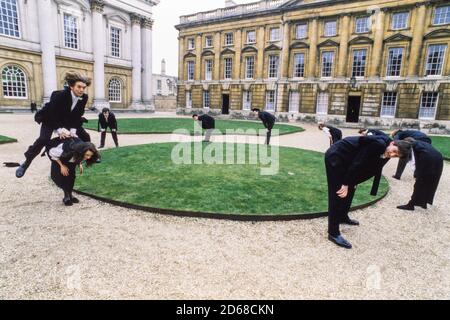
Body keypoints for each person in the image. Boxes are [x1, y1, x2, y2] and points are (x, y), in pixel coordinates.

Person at [325, 135, 412, 249]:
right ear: (393, 144)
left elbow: (374, 169)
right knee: (338, 193)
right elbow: (358, 163)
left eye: (396, 155)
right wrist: (346, 183)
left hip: (350, 160)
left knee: (352, 188)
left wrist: (354, 181)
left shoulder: (387, 150)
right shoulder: (379, 144)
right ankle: (333, 232)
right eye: (394, 151)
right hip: (337, 156)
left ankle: (342, 216)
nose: (392, 155)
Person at [16, 72, 92, 178]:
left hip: (67, 120)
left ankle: (87, 157)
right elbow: (52, 114)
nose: (82, 90)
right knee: (43, 139)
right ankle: (26, 162)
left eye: (84, 87)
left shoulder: (84, 97)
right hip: (50, 119)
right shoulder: (58, 95)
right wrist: (60, 130)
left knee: (85, 136)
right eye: (79, 87)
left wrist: (73, 130)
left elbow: (77, 114)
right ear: (71, 86)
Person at [47, 137, 100, 206]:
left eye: (90, 155)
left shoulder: (80, 152)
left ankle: (70, 195)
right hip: (60, 160)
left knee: (72, 177)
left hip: (70, 161)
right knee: (64, 176)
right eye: (87, 155)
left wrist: (79, 163)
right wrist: (61, 166)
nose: (89, 157)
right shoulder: (68, 150)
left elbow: (78, 157)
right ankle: (66, 196)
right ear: (82, 152)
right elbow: (52, 153)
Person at [397, 138, 443, 211]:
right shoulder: (419, 144)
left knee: (419, 183)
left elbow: (416, 163)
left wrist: (417, 174)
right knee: (431, 183)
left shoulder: (415, 148)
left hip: (429, 160)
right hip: (438, 159)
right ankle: (423, 202)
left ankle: (411, 205)